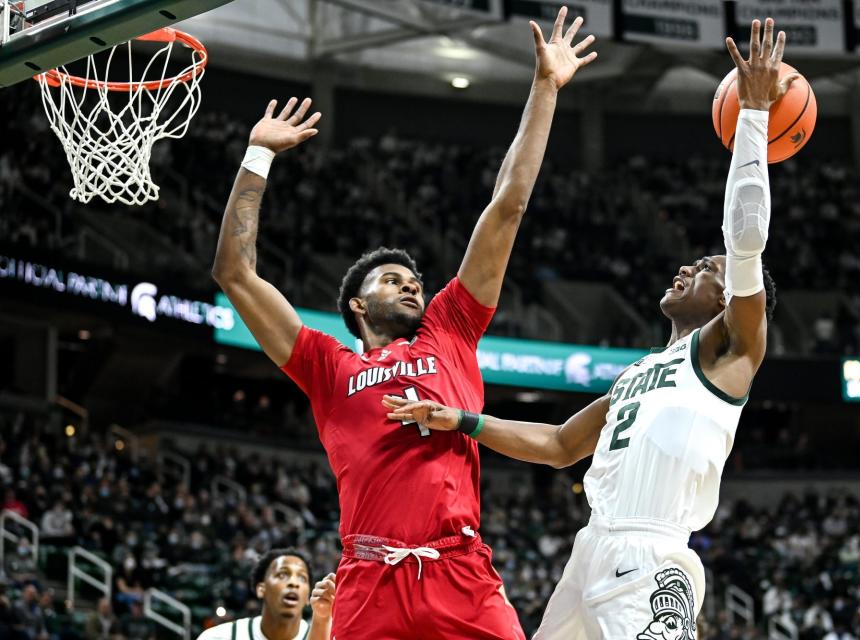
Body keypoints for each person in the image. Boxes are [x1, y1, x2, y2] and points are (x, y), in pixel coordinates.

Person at [382, 17, 794, 640]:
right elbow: (557, 446)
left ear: (733, 298)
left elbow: (745, 239)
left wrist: (755, 119)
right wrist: (461, 421)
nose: (688, 266)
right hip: (591, 550)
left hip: (652, 558)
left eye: (707, 269)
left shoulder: (731, 349)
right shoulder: (638, 375)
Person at [211, 7, 597, 639]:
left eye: (413, 277)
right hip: (368, 585)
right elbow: (235, 273)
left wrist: (545, 90)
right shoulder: (327, 366)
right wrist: (256, 156)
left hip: (460, 573)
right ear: (357, 307)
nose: (411, 282)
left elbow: (508, 206)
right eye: (390, 279)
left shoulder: (450, 328)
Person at [197, 549, 334, 640]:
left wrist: (322, 619)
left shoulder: (325, 635)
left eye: (302, 578)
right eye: (282, 574)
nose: (294, 583)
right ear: (261, 588)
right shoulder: (218, 637)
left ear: (307, 597)